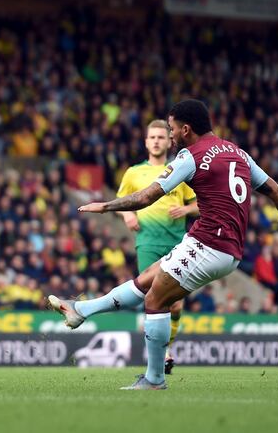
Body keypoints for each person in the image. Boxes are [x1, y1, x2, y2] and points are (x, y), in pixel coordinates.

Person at [49, 99, 278, 390]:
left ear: (186, 129)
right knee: (147, 278)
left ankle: (154, 379)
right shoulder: (238, 153)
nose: (171, 135)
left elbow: (145, 198)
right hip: (225, 246)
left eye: (172, 129)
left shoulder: (190, 156)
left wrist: (104, 206)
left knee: (155, 300)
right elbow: (275, 189)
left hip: (209, 244)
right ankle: (81, 311)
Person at [116, 119, 198, 374]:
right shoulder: (133, 173)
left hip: (177, 244)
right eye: (152, 137)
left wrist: (185, 208)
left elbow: (200, 205)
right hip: (148, 243)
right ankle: (162, 354)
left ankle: (164, 348)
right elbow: (122, 200)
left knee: (176, 305)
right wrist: (127, 215)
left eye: (161, 137)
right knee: (154, 298)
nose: (156, 141)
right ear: (145, 141)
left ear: (169, 140)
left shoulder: (179, 170)